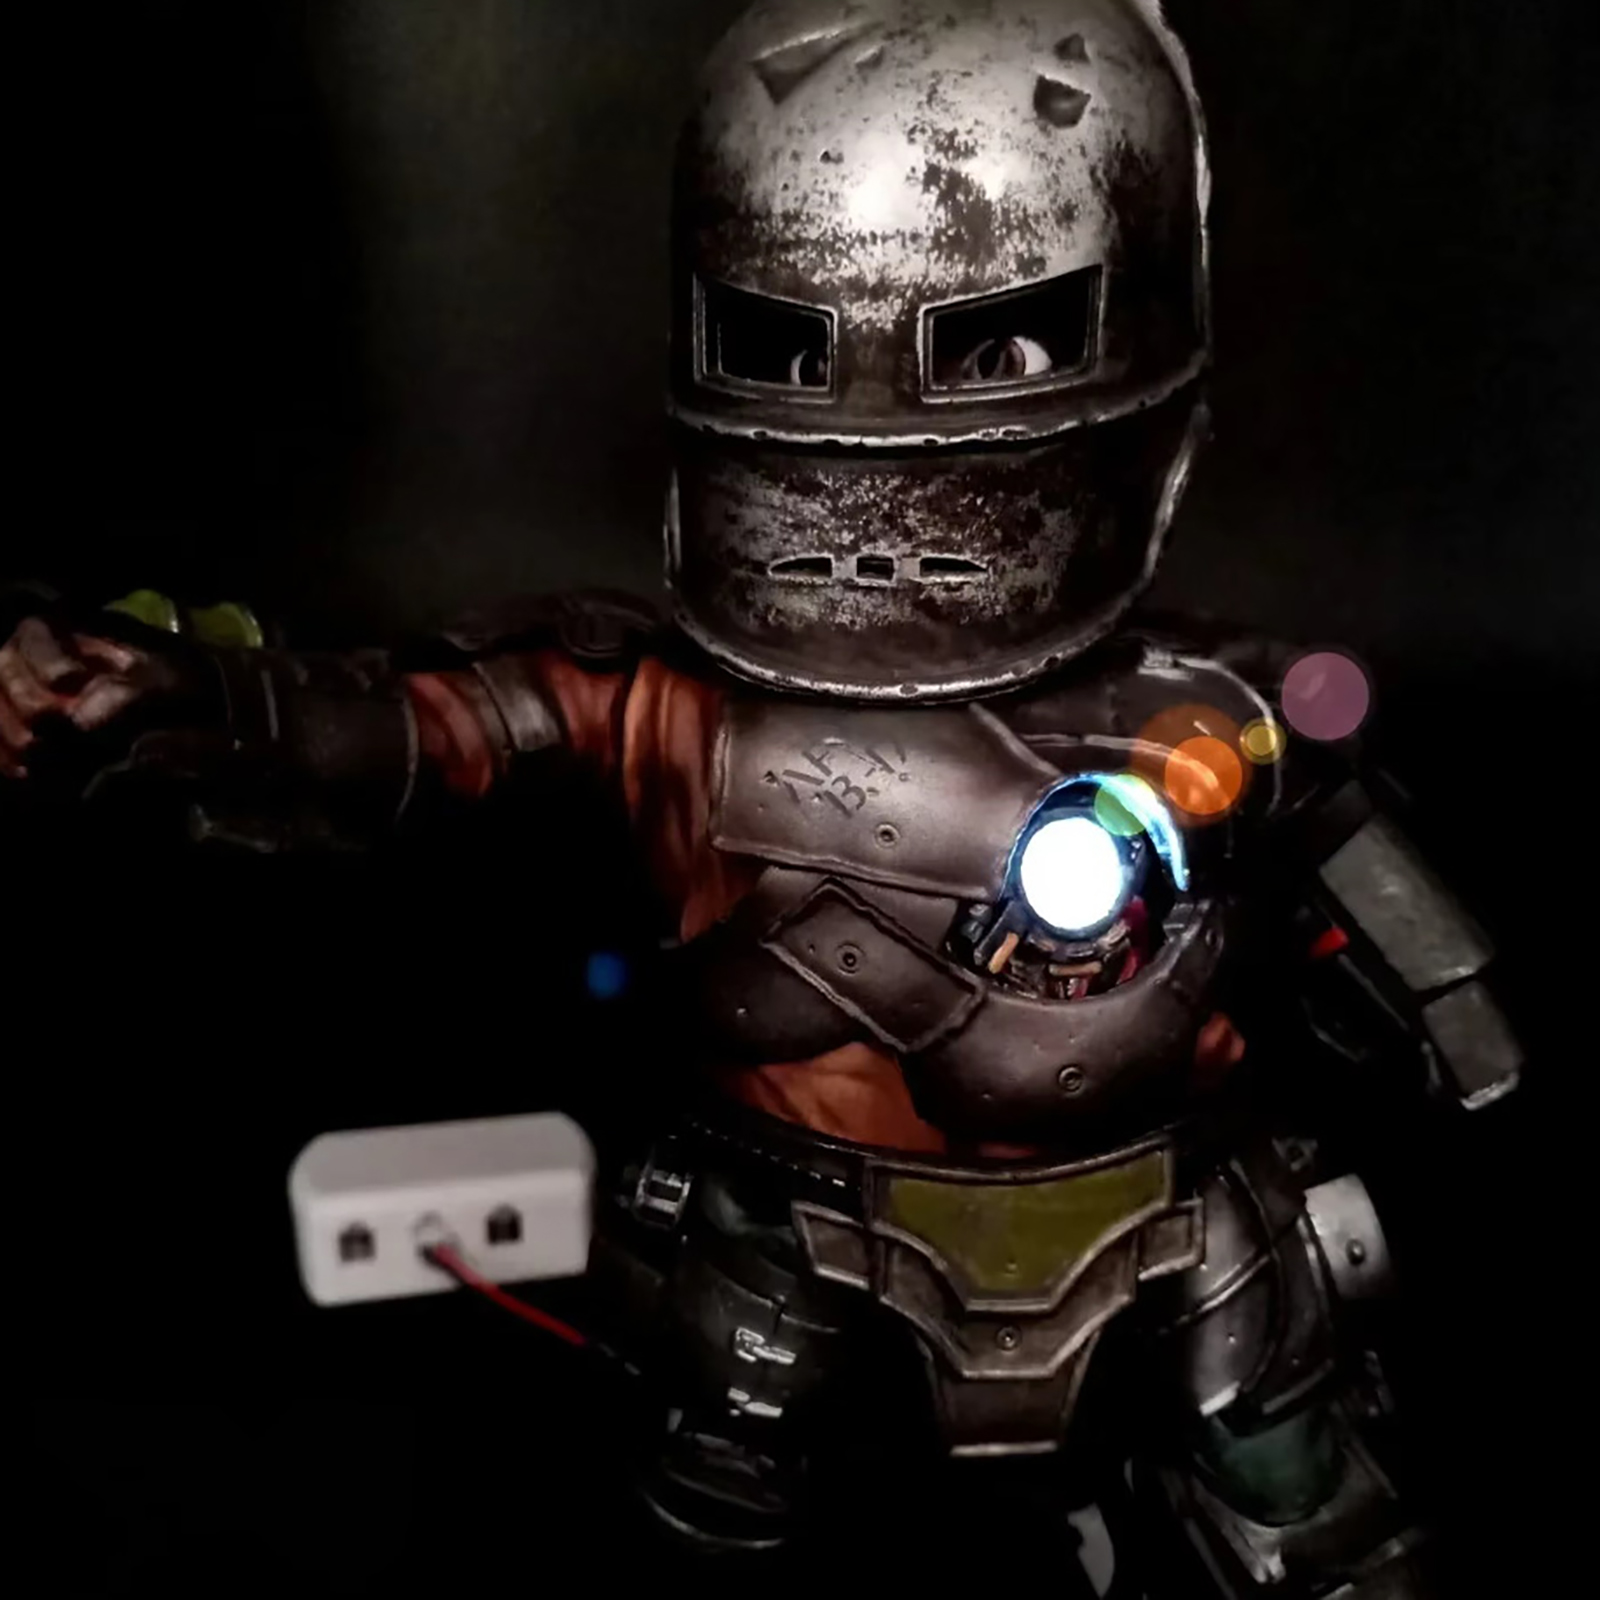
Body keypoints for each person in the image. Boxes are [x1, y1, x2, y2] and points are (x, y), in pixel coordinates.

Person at [0, 3, 1519, 1590]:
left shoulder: (1219, 710)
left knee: (1303, 1505)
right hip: (792, 1246)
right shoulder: (665, 699)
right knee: (724, 1497)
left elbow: (1353, 849)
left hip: (1180, 1234)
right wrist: (193, 706)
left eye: (986, 349)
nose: (874, 414)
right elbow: (409, 730)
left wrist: (1453, 1008)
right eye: (793, 346)